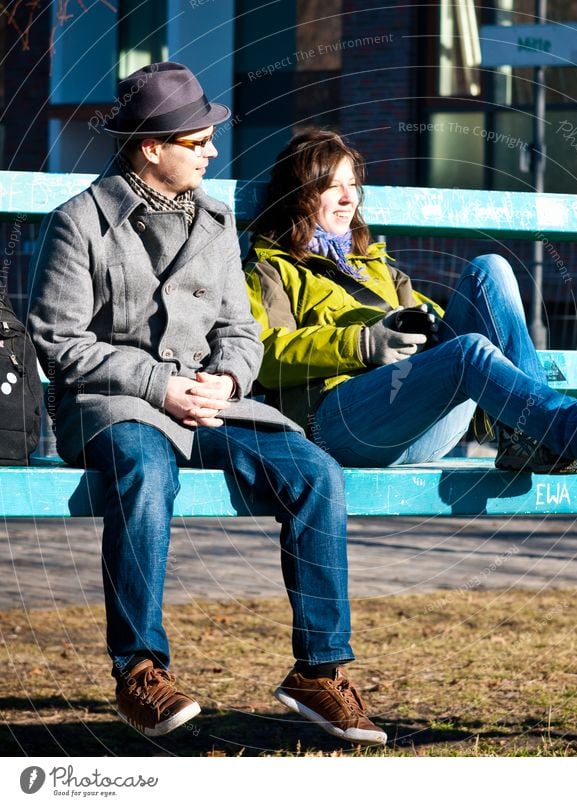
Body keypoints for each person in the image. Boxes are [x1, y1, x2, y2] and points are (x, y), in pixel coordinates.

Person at [27, 65, 385, 746]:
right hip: (117, 405)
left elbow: (240, 331)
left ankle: (319, 670)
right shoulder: (79, 222)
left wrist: (228, 378)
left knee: (314, 472)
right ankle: (139, 669)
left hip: (210, 402)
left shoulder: (216, 222)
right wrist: (158, 385)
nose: (211, 152)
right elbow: (58, 341)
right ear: (150, 146)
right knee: (144, 471)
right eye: (197, 141)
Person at [243, 129, 577, 477]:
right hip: (341, 424)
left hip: (420, 417)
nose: (349, 198)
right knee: (467, 352)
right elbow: (263, 357)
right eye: (331, 186)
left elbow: (447, 334)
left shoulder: (375, 265)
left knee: (491, 268)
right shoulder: (269, 269)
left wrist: (423, 333)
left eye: (352, 185)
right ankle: (574, 428)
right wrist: (363, 344)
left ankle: (528, 437)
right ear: (300, 195)